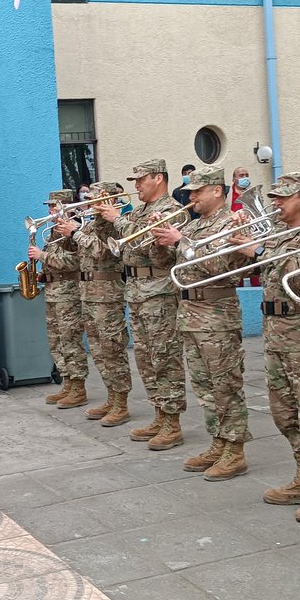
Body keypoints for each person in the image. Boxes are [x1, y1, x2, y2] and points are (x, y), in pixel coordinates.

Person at [232, 172, 300, 521]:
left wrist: (258, 249)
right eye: (273, 197)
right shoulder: (277, 232)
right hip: (275, 331)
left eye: (283, 197)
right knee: (283, 412)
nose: (275, 203)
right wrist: (243, 235)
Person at [155, 166, 251, 475]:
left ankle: (235, 450)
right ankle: (218, 442)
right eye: (190, 191)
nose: (191, 196)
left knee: (226, 386)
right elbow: (174, 264)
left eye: (198, 190)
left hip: (217, 317)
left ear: (217, 191)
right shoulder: (194, 227)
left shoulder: (233, 223)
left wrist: (180, 240)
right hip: (190, 316)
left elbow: (221, 265)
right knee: (204, 387)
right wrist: (162, 239)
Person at [97, 159, 186, 450]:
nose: (136, 186)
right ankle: (160, 414)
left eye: (140, 180)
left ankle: (173, 423)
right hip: (136, 290)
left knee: (164, 356)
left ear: (158, 178)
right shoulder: (140, 211)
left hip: (159, 291)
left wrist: (116, 218)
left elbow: (155, 249)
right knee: (145, 359)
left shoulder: (171, 209)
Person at [55, 182, 133, 426]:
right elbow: (75, 253)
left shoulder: (116, 223)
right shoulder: (89, 223)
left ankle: (121, 402)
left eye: (94, 198)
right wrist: (64, 230)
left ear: (109, 199)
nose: (88, 202)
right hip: (88, 293)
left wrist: (75, 233)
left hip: (108, 293)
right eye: (88, 198)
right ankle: (111, 396)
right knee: (99, 352)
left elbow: (104, 252)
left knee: (112, 349)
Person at [28, 192, 87, 408]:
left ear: (67, 207)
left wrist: (42, 256)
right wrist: (42, 274)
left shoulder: (74, 228)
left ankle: (79, 387)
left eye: (55, 206)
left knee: (70, 339)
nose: (50, 211)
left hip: (68, 292)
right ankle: (68, 382)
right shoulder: (52, 230)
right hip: (53, 290)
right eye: (50, 207)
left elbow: (76, 261)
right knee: (56, 340)